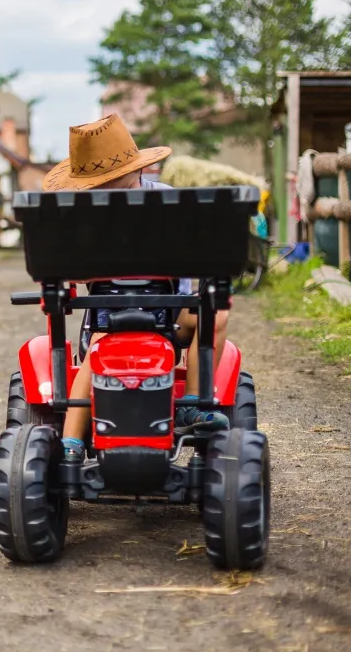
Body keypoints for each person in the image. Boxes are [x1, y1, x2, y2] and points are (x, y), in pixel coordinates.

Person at [41, 114, 232, 462]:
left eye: (114, 181)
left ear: (137, 170)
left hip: (172, 307)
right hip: (109, 317)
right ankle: (71, 441)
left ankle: (192, 403)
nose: (107, 191)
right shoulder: (83, 215)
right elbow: (69, 268)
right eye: (98, 186)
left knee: (214, 320)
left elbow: (196, 247)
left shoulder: (168, 202)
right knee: (96, 352)